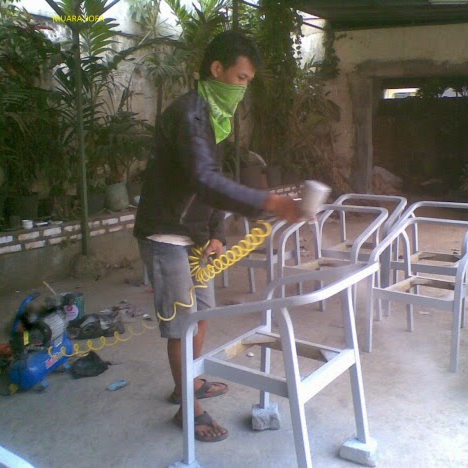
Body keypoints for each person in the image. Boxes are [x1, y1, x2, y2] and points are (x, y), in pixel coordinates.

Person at [134, 31, 301, 443]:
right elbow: (204, 179)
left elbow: (212, 179)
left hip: (194, 235)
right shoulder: (189, 116)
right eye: (241, 78)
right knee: (183, 324)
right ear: (216, 69)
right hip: (166, 233)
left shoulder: (214, 118)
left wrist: (216, 232)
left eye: (248, 82)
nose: (243, 88)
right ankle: (188, 408)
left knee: (203, 313)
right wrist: (267, 202)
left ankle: (187, 382)